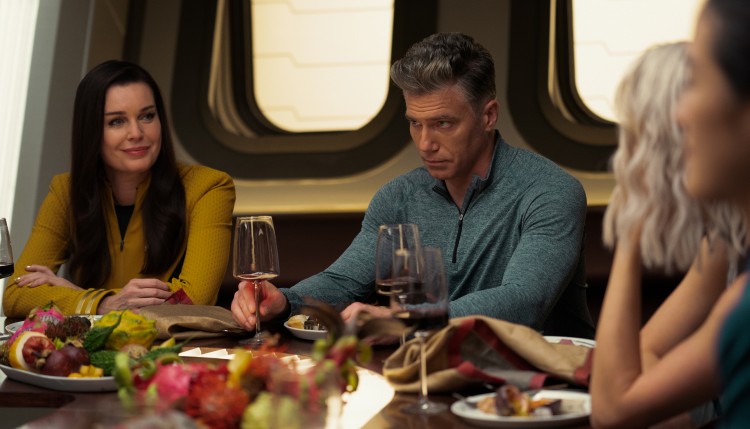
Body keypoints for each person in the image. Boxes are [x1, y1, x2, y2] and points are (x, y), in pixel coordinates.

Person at [232, 32, 594, 339]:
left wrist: (408, 320)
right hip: (427, 371)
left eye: (442, 124)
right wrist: (285, 302)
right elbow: (344, 282)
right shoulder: (397, 197)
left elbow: (525, 301)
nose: (424, 144)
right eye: (415, 123)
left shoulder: (550, 190)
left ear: (488, 116)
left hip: (540, 382)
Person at [591, 1, 750, 426]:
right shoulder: (725, 247)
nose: (683, 114)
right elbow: (641, 356)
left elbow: (614, 408)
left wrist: (630, 225)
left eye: (698, 83)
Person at [3, 60, 235, 317]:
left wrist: (81, 295)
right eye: (116, 122)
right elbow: (15, 295)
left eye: (147, 116)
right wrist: (103, 303)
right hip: (92, 343)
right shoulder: (65, 192)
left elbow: (195, 297)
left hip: (173, 342)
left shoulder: (208, 187)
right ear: (91, 131)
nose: (136, 133)